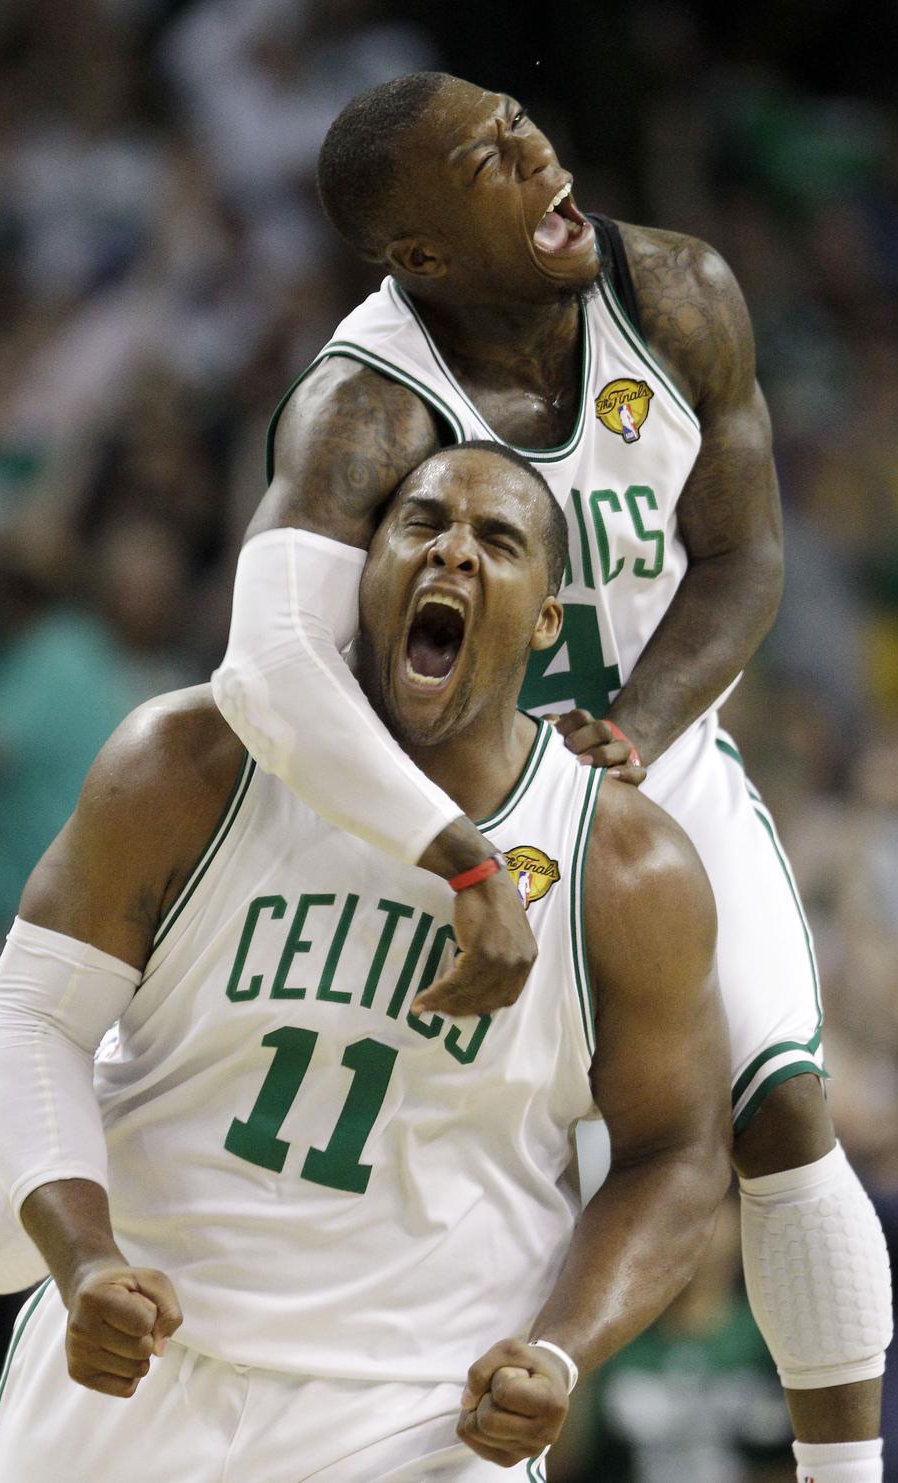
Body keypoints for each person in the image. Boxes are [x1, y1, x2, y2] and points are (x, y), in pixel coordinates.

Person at [210, 73, 892, 1483]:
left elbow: (745, 556)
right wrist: (453, 841)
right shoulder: (362, 404)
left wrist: (637, 724)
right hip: (441, 807)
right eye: (489, 156)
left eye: (522, 123)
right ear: (424, 253)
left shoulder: (679, 293)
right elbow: (271, 665)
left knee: (783, 1113)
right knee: (334, 1156)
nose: (537, 149)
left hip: (656, 772)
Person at [0, 445, 730, 1481]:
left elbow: (678, 1152)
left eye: (497, 540)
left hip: (418, 1412)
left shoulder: (623, 864)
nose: (455, 554)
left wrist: (563, 1348)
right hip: (136, 1357)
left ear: (547, 622)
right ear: (362, 571)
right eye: (421, 525)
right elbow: (30, 1023)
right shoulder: (190, 761)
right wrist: (84, 1259)